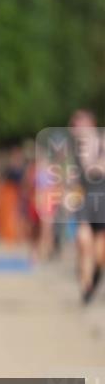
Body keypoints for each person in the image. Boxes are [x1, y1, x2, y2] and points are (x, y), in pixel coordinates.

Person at [69, 109, 105, 304]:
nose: (75, 128)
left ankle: (95, 276)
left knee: (99, 253)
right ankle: (86, 283)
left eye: (78, 124)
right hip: (84, 200)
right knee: (83, 242)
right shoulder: (74, 150)